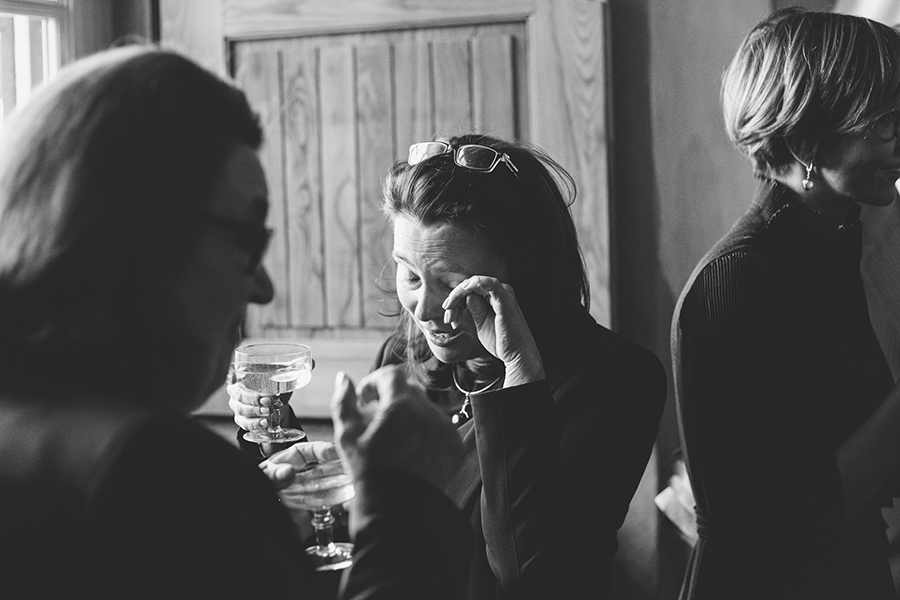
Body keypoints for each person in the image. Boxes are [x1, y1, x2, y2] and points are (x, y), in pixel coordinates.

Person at [0, 44, 471, 599]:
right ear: (141, 238)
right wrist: (407, 502)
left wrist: (256, 536)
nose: (263, 288)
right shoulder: (154, 471)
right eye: (245, 240)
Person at [232, 133, 667, 598]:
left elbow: (531, 573)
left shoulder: (618, 380)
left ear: (527, 276)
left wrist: (518, 370)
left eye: (451, 283)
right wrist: (292, 448)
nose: (423, 309)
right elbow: (384, 541)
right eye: (410, 275)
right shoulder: (403, 361)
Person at [671, 8, 900, 599]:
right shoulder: (742, 279)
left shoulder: (836, 247)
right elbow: (789, 520)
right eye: (883, 121)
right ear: (804, 139)